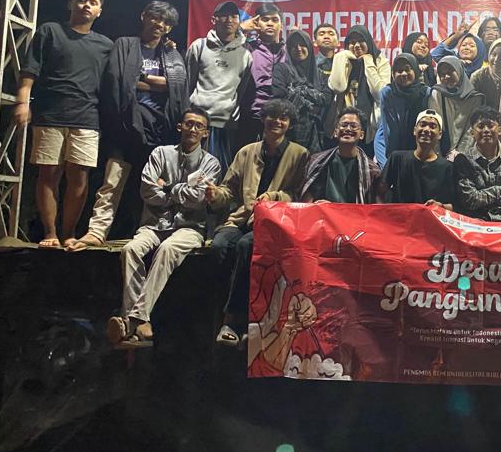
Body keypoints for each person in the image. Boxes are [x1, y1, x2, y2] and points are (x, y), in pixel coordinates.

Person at [73, 1, 186, 248]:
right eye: (155, 17)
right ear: (144, 16)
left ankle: (148, 235)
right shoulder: (125, 45)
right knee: (111, 183)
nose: (159, 24)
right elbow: (117, 78)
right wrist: (153, 82)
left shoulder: (171, 54)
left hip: (158, 129)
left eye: (166, 22)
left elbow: (176, 86)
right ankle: (97, 231)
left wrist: (141, 79)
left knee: (153, 187)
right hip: (124, 126)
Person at [107, 107, 221, 348]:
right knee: (130, 250)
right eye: (188, 123)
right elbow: (147, 191)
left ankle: (131, 321)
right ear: (180, 127)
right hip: (154, 224)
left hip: (190, 227)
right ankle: (140, 321)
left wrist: (167, 187)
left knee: (167, 249)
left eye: (198, 126)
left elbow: (198, 199)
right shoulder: (160, 153)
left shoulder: (211, 163)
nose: (192, 129)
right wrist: (181, 191)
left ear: (206, 133)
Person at [16, 0, 113, 247]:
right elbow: (30, 70)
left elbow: (120, 77)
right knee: (48, 175)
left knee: (79, 179)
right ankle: (50, 234)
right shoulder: (50, 31)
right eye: (81, 0)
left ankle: (69, 232)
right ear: (70, 4)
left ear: (99, 11)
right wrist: (23, 102)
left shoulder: (105, 45)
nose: (86, 5)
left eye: (92, 2)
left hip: (87, 118)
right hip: (50, 115)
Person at [207, 99, 310, 346]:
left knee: (246, 246)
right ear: (263, 119)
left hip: (275, 222)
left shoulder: (300, 154)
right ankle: (221, 310)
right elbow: (228, 189)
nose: (277, 121)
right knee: (219, 246)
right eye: (272, 116)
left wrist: (275, 197)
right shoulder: (247, 152)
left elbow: (300, 194)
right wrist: (215, 195)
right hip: (242, 217)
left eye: (283, 117)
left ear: (289, 124)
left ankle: (235, 319)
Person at [185, 0, 251, 173]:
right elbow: (188, 83)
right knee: (193, 172)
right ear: (214, 20)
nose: (229, 20)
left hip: (227, 123)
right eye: (224, 15)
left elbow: (242, 90)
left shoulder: (246, 54)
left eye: (234, 16)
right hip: (198, 122)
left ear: (238, 21)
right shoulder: (199, 46)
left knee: (221, 173)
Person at [454, 107, 501, 221]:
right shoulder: (464, 160)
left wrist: (484, 198)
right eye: (480, 126)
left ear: (499, 130)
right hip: (477, 220)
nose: (486, 130)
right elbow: (470, 200)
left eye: (490, 125)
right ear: (472, 132)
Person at [300, 107, 381, 203]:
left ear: (362, 135)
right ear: (335, 132)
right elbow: (308, 196)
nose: (348, 129)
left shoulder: (372, 170)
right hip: (322, 211)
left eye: (353, 126)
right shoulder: (318, 162)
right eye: (344, 125)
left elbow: (374, 205)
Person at [377, 109, 455, 207]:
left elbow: (454, 206)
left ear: (440, 134)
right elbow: (379, 192)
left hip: (428, 217)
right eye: (423, 124)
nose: (426, 129)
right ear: (414, 130)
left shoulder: (447, 167)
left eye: (432, 126)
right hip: (398, 216)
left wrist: (440, 206)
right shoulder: (397, 158)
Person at [326, 25, 390, 144]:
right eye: (352, 42)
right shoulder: (343, 60)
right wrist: (340, 57)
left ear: (368, 42)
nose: (356, 45)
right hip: (344, 125)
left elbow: (379, 93)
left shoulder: (381, 62)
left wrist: (368, 63)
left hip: (370, 127)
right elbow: (338, 87)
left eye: (361, 41)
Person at [237, 3, 287, 147]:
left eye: (275, 20)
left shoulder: (289, 51)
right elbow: (222, 49)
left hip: (282, 118)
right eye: (265, 19)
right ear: (257, 23)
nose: (270, 23)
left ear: (281, 26)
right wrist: (240, 29)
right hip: (251, 116)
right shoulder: (246, 48)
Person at [271, 28, 328, 152]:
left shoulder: (319, 74)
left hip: (315, 134)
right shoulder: (282, 69)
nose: (298, 49)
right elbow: (279, 95)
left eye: (303, 45)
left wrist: (299, 91)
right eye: (293, 46)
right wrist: (311, 99)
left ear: (309, 47)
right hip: (289, 131)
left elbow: (325, 100)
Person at [374, 53, 431, 164]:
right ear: (393, 74)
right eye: (399, 71)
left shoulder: (426, 93)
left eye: (407, 69)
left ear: (415, 70)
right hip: (387, 146)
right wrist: (389, 161)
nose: (403, 74)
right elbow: (387, 128)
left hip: (419, 150)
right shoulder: (388, 92)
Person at [429, 56, 486, 157]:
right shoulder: (437, 94)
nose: (446, 77)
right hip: (440, 151)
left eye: (450, 71)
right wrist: (437, 155)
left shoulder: (475, 98)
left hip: (465, 153)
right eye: (442, 74)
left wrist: (459, 154)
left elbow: (470, 129)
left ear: (459, 70)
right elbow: (434, 124)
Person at [313, 22, 339, 88]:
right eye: (321, 34)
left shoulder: (344, 63)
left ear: (338, 42)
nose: (326, 37)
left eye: (331, 34)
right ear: (315, 42)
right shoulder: (310, 63)